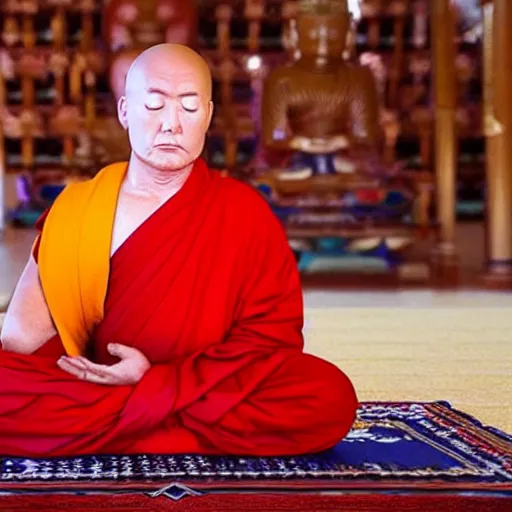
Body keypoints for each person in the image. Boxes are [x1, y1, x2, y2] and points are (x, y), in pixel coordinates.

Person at [0, 44, 358, 458]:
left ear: (207, 116)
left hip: (203, 387)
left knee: (328, 395)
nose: (171, 124)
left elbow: (270, 339)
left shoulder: (242, 211)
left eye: (189, 108)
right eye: (153, 105)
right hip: (111, 387)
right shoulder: (80, 207)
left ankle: (125, 425)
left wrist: (157, 380)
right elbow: (21, 342)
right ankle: (157, 426)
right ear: (124, 112)